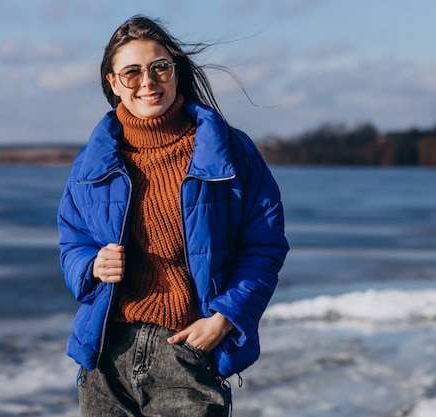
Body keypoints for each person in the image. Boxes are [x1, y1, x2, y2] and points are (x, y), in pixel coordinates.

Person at [57, 15, 288, 417]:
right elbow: (71, 241)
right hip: (107, 359)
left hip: (188, 355)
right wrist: (91, 265)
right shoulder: (92, 163)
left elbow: (264, 246)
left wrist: (226, 318)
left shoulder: (229, 151)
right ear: (113, 84)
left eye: (159, 67)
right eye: (131, 73)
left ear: (176, 72)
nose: (147, 82)